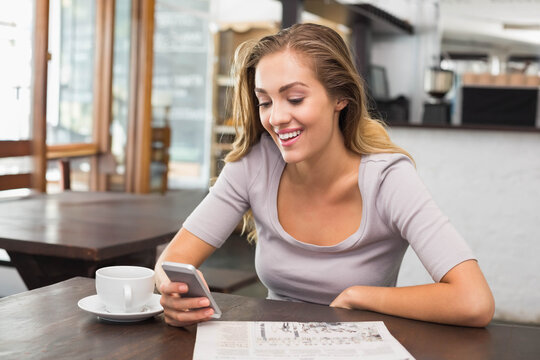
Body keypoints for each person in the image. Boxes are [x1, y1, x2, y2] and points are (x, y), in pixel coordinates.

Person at [155, 23, 494, 328]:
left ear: (340, 98)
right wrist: (171, 294)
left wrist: (360, 297)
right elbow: (171, 262)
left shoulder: (388, 180)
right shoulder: (254, 165)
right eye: (265, 102)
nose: (276, 117)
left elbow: (473, 301)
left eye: (295, 98)